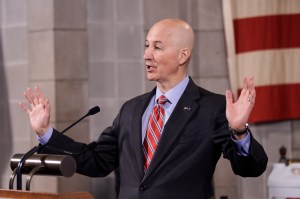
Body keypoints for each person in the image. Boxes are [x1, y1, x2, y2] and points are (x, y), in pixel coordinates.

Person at [20, 19, 268, 199]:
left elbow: (250, 168)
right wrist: (46, 133)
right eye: (146, 45)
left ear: (183, 55)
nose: (146, 55)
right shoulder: (132, 109)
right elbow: (97, 161)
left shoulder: (212, 108)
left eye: (157, 47)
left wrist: (239, 131)